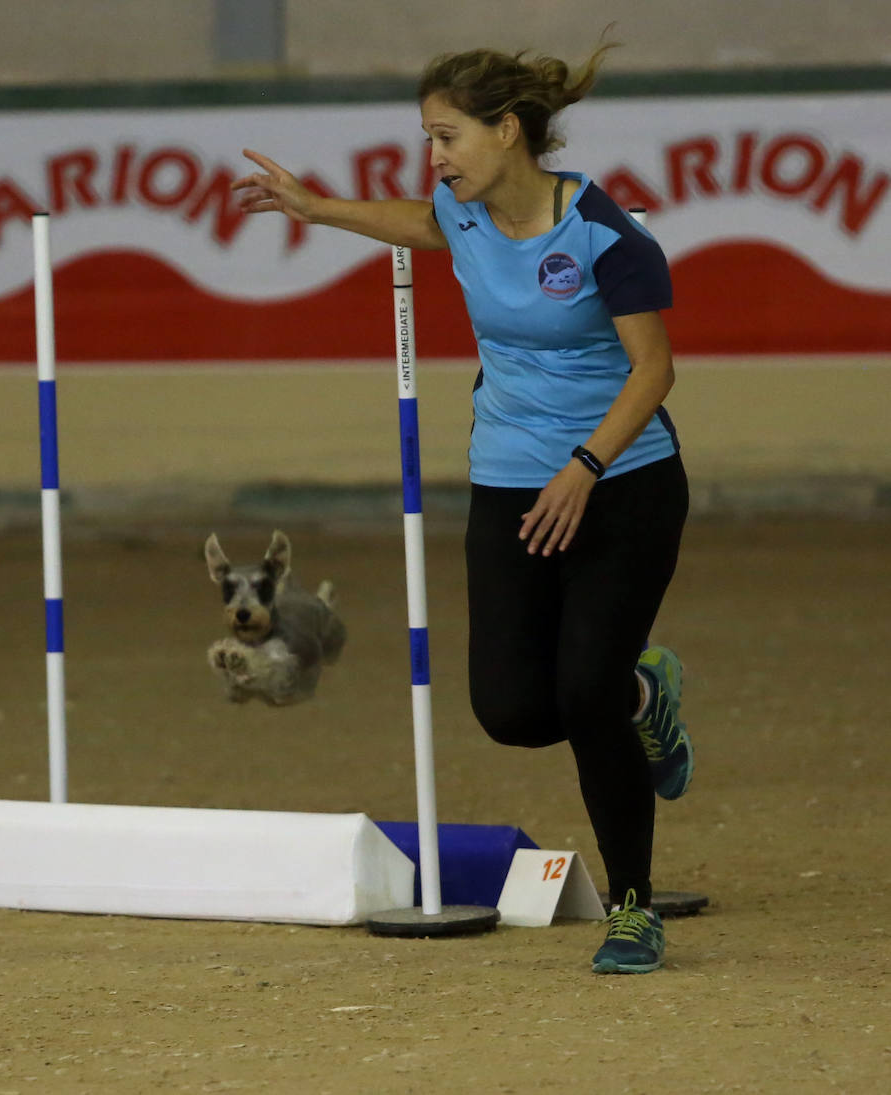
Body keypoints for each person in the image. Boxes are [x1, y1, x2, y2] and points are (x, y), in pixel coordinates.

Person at [232, 41, 693, 974]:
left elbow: (655, 369)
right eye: (427, 138)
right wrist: (317, 207)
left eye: (446, 137)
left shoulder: (605, 233)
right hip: (510, 485)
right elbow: (420, 221)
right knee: (513, 710)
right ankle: (648, 688)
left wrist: (584, 466)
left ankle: (635, 906)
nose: (434, 157)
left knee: (582, 693)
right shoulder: (463, 211)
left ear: (507, 130)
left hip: (622, 483)